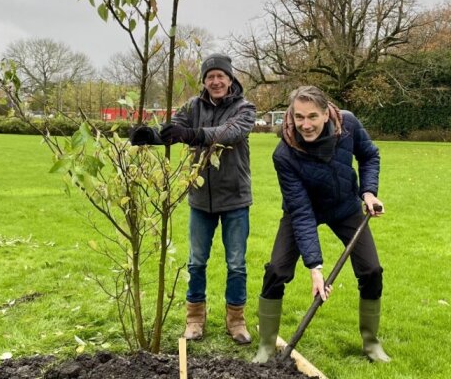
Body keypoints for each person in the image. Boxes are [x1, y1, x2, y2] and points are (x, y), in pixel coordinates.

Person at [253, 85, 390, 363]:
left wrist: (368, 191)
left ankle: (371, 343)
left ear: (326, 114)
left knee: (371, 269)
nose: (305, 124)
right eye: (299, 117)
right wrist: (315, 268)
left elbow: (369, 155)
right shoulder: (284, 154)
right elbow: (302, 212)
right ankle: (267, 346)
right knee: (277, 270)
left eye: (312, 116)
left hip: (344, 207)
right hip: (303, 211)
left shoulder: (348, 124)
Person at [159, 53, 256, 344]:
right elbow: (173, 130)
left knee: (236, 263)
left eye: (220, 76)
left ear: (230, 79)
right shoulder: (192, 106)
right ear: (204, 81)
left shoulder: (244, 108)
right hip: (200, 198)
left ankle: (236, 321)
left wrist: (191, 133)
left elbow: (229, 133)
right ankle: (194, 319)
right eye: (210, 76)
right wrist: (149, 135)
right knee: (196, 262)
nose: (215, 81)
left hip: (235, 198)